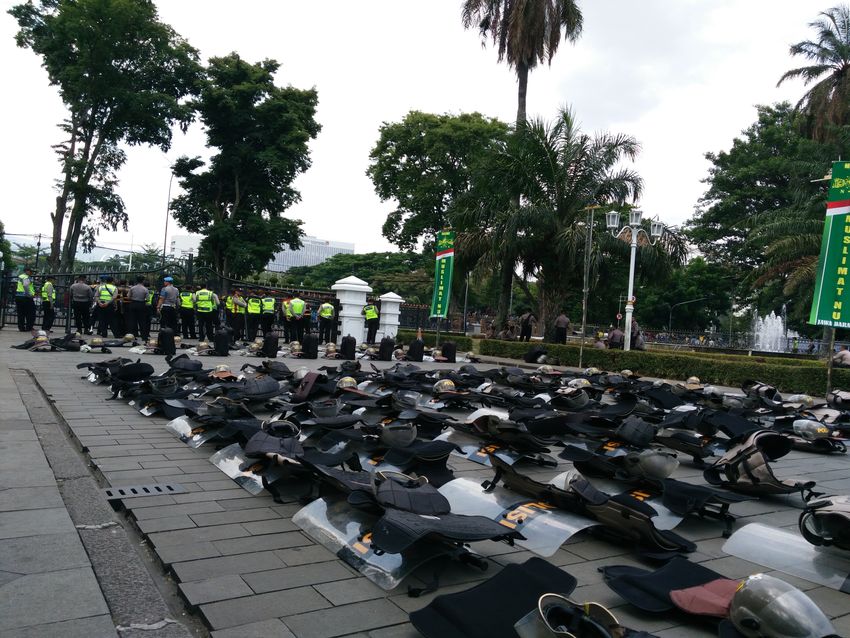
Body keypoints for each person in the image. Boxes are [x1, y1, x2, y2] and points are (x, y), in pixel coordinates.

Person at [126, 276, 149, 340]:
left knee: (132, 320)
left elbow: (128, 296)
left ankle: (132, 335)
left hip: (133, 304)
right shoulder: (145, 289)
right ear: (143, 281)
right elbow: (147, 299)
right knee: (142, 321)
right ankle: (144, 337)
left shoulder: (132, 288)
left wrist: (133, 298)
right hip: (141, 304)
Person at [15, 266, 36, 332]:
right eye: (31, 271)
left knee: (21, 313)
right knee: (30, 313)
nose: (31, 273)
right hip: (26, 297)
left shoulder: (20, 276)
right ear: (27, 271)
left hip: (19, 296)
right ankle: (28, 327)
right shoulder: (26, 277)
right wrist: (29, 295)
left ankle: (21, 327)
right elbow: (26, 286)